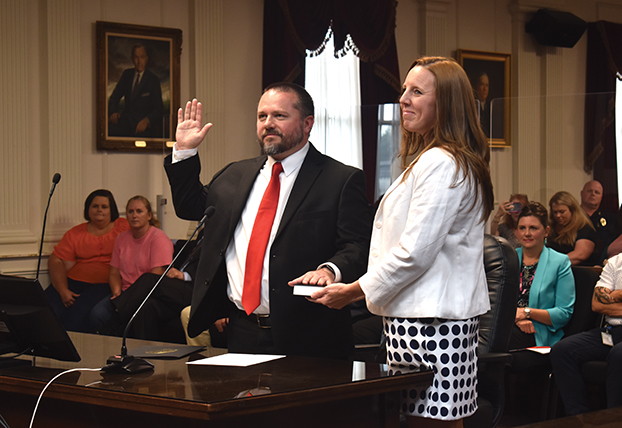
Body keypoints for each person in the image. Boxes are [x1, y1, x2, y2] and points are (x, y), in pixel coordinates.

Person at [300, 57, 494, 427]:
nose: (403, 99)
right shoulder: (436, 159)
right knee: (424, 420)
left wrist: (352, 291)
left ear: (445, 103)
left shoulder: (442, 162)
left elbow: (415, 253)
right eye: (405, 89)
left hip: (432, 322)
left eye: (417, 92)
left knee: (432, 423)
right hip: (420, 317)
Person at [164, 82, 372, 360]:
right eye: (262, 116)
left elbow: (357, 245)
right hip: (243, 330)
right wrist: (184, 151)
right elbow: (190, 207)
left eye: (279, 116)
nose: (268, 124)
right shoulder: (233, 175)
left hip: (310, 333)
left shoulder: (340, 179)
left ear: (307, 123)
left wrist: (331, 270)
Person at [44, 189, 129, 332]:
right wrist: (63, 290)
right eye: (95, 206)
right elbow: (56, 260)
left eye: (104, 207)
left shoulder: (124, 227)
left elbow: (145, 234)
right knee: (46, 313)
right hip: (72, 282)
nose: (99, 210)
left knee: (75, 320)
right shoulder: (75, 233)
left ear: (112, 210)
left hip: (102, 284)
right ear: (88, 209)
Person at [550, 252, 622, 415]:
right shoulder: (616, 262)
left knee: (619, 354)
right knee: (562, 350)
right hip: (613, 330)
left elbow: (605, 301)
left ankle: (613, 419)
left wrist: (616, 294)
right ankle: (579, 418)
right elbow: (597, 304)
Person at [90, 195, 173, 333]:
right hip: (124, 292)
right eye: (130, 212)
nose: (134, 215)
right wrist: (117, 293)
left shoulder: (158, 238)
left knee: (122, 321)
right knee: (97, 314)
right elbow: (114, 272)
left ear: (149, 215)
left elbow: (155, 277)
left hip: (146, 294)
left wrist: (126, 302)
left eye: (139, 211)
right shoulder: (121, 238)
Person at [509, 202, 574, 350]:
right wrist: (515, 319)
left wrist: (526, 313)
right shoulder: (508, 258)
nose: (527, 233)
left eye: (533, 228)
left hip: (538, 331)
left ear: (546, 231)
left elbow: (564, 313)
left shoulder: (560, 262)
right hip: (509, 325)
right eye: (522, 228)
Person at [108, 44, 164, 138]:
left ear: (146, 59)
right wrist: (113, 112)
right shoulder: (127, 75)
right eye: (136, 57)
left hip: (142, 126)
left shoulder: (153, 80)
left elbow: (159, 109)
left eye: (142, 57)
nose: (139, 61)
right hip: (125, 123)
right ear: (132, 59)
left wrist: (147, 120)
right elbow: (114, 97)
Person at [548, 191, 598, 266]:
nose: (558, 215)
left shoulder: (584, 229)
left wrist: (553, 263)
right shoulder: (550, 228)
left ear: (572, 210)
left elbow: (579, 255)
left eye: (562, 212)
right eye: (555, 212)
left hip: (576, 270)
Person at [580, 180, 621, 263]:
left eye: (597, 192)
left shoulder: (611, 218)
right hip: (578, 263)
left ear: (601, 197)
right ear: (582, 193)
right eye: (589, 191)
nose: (593, 194)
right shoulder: (571, 216)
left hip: (602, 263)